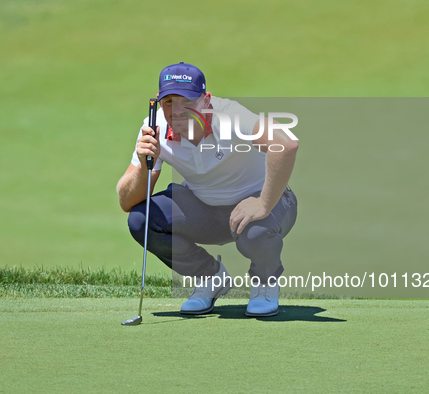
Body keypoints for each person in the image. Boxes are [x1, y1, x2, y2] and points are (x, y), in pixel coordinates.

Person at [117, 62, 298, 317]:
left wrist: (263, 203)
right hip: (206, 209)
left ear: (206, 100)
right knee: (141, 220)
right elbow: (127, 201)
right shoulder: (154, 127)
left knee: (256, 233)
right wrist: (144, 164)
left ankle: (265, 282)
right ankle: (210, 277)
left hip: (269, 203)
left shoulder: (230, 116)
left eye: (186, 101)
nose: (177, 111)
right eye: (168, 102)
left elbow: (286, 144)